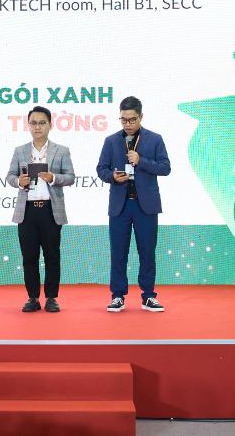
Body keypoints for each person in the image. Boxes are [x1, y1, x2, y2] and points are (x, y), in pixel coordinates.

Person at [96, 96, 171, 313]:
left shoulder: (154, 139)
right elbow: (101, 169)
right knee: (118, 253)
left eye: (132, 119)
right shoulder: (111, 141)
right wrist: (112, 176)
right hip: (120, 206)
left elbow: (165, 168)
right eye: (123, 120)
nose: (127, 124)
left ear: (141, 117)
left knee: (147, 253)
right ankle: (117, 296)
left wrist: (141, 161)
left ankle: (148, 296)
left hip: (145, 206)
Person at [6, 106, 75, 313]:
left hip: (50, 210)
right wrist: (19, 181)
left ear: (50, 125)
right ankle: (33, 297)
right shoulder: (20, 151)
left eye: (42, 123)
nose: (37, 127)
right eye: (33, 123)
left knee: (52, 256)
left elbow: (70, 177)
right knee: (29, 257)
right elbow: (10, 176)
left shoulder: (61, 150)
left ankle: (51, 298)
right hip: (27, 211)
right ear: (28, 125)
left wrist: (53, 178)